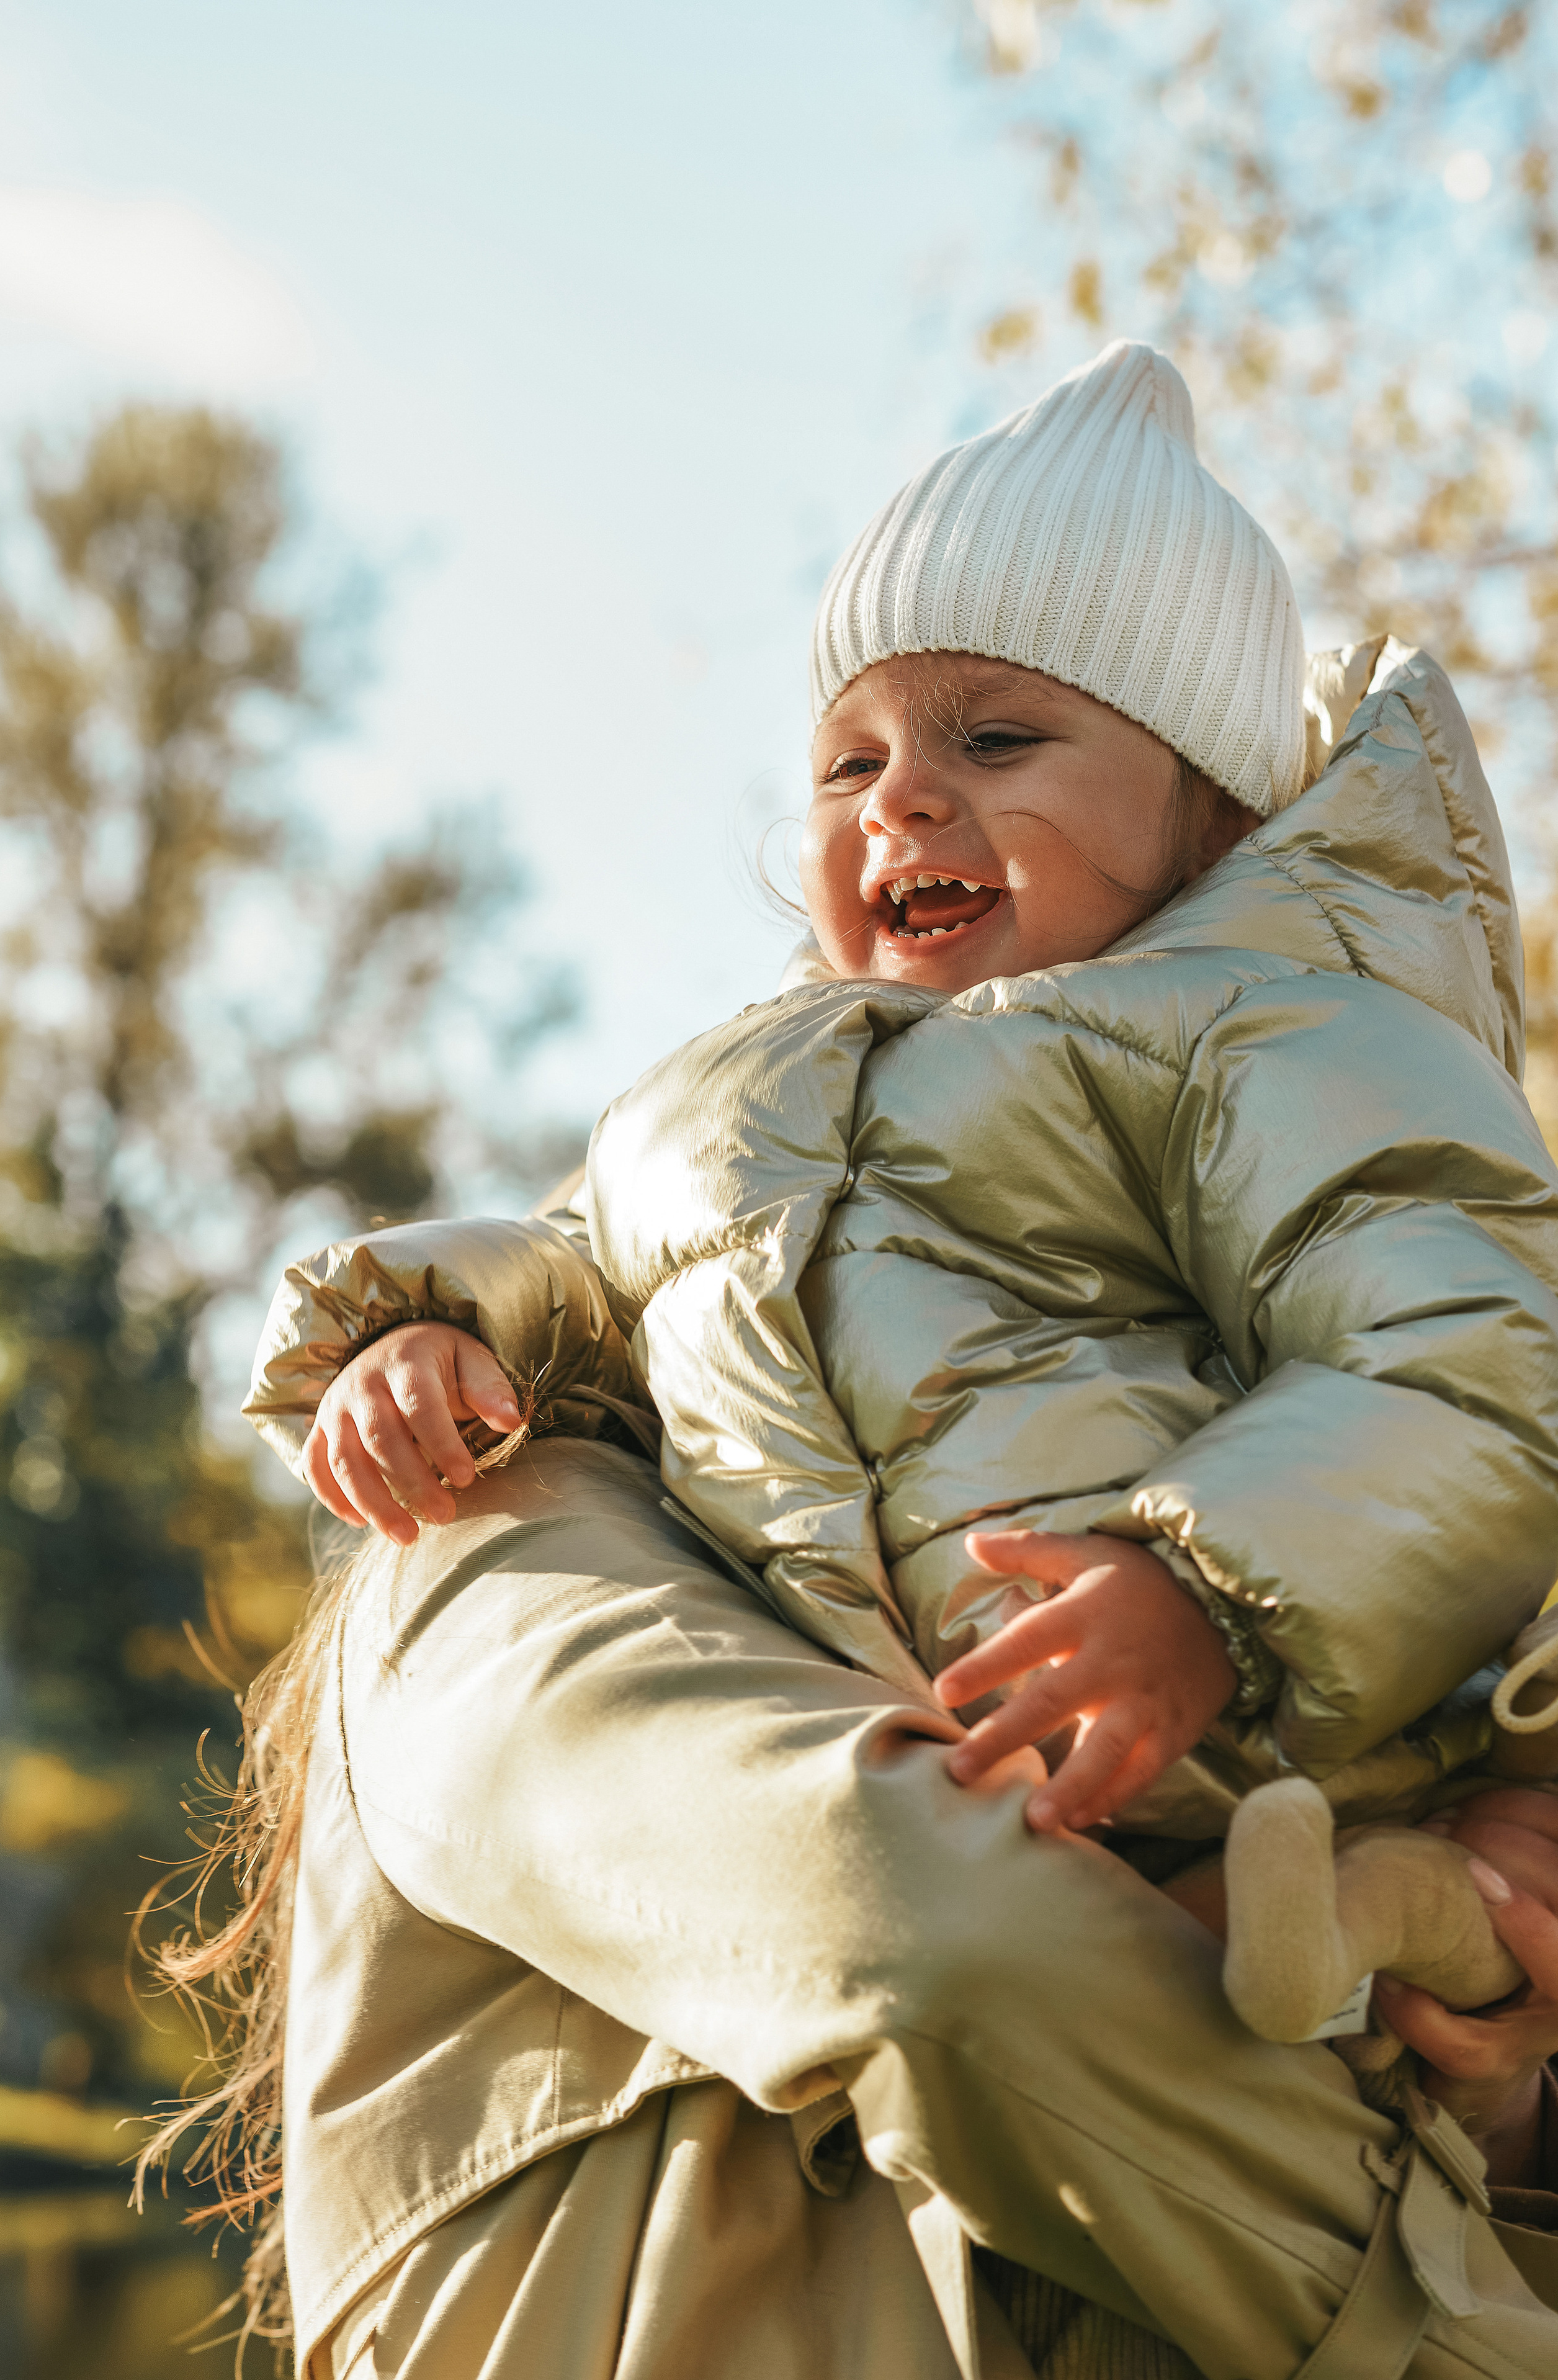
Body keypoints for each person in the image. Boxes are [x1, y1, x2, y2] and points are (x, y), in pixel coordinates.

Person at [161, 342, 1558, 2379]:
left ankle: (1386, 1961)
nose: (906, 797)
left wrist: (1210, 1584)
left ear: (1214, 812)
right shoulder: (734, 1096)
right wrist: (429, 1329)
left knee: (1339, 1915)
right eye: (851, 757)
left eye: (1002, 737)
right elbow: (594, 1261)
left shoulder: (1266, 1037)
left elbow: (1466, 1356)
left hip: (1200, 1696)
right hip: (938, 1761)